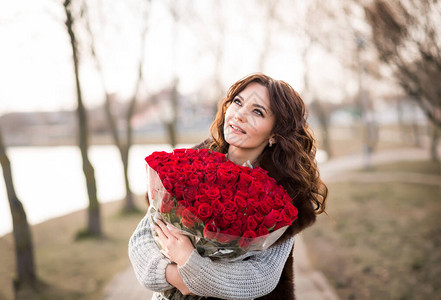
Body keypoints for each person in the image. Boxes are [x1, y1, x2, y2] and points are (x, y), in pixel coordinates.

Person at [128, 73, 328, 300]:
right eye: (238, 102)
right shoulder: (188, 165)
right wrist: (175, 277)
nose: (240, 114)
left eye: (257, 112)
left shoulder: (284, 197)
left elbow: (260, 276)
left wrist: (189, 261)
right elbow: (142, 239)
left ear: (275, 133)